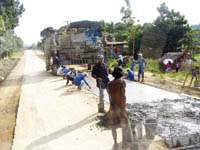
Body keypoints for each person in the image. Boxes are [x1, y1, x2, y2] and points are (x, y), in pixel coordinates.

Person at [107, 66, 134, 150]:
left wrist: (110, 108)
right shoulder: (122, 82)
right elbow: (123, 96)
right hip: (120, 107)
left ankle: (115, 143)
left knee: (113, 126)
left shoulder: (109, 84)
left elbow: (110, 97)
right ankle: (125, 144)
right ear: (121, 73)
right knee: (125, 125)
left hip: (112, 107)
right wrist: (124, 108)